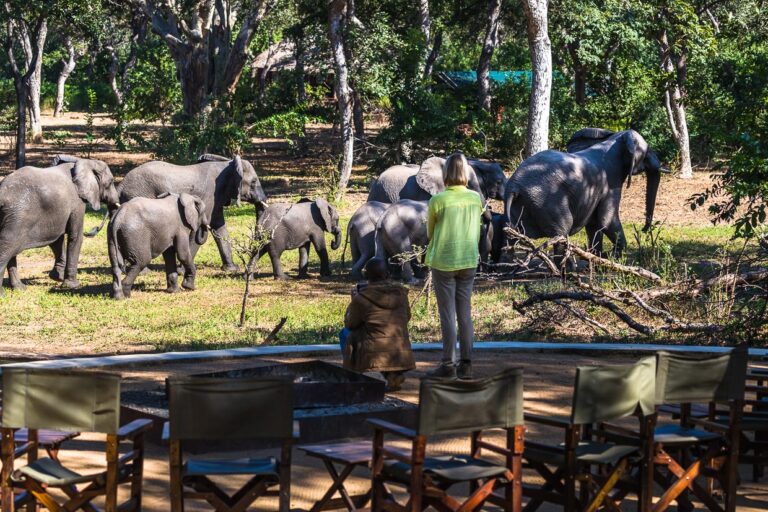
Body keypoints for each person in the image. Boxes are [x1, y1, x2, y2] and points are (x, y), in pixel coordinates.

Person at [425, 152, 486, 379]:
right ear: (465, 172)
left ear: (446, 173)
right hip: (469, 261)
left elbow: (430, 232)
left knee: (448, 315)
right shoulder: (475, 199)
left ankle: (448, 364)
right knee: (465, 313)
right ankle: (467, 364)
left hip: (444, 262)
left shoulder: (438, 200)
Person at [340, 258, 415, 391]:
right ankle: (393, 374)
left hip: (374, 355)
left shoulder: (362, 298)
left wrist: (353, 302)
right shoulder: (401, 294)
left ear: (366, 276)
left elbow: (350, 324)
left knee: (345, 334)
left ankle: (353, 373)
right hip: (401, 352)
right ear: (387, 274)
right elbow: (407, 317)